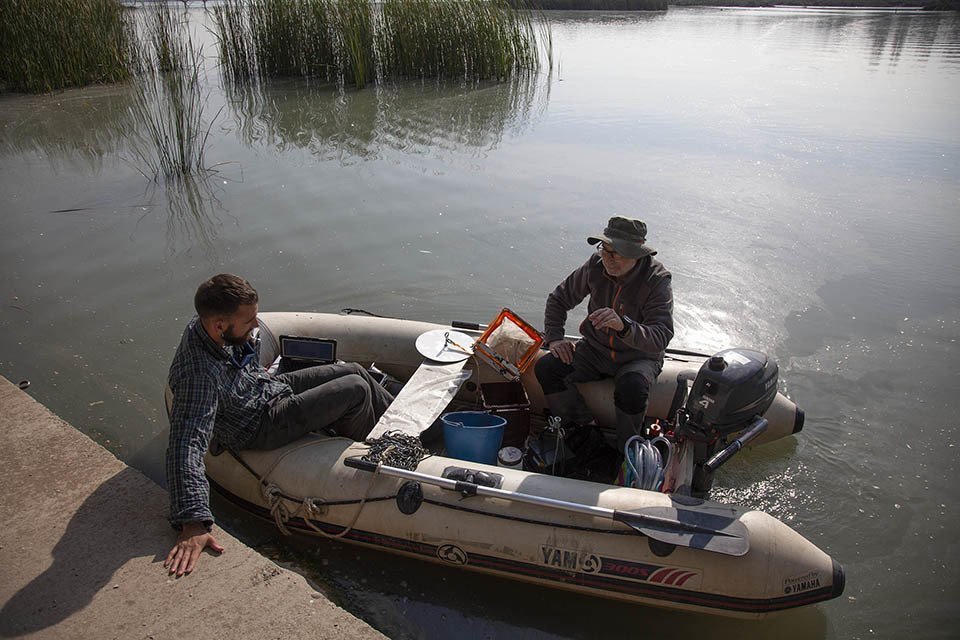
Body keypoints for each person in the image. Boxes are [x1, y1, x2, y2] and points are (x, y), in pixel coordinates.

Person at [164, 274, 393, 577]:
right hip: (259, 423)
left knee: (355, 372)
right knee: (353, 389)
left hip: (264, 388)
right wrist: (193, 520)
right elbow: (186, 444)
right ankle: (374, 449)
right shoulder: (198, 377)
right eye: (249, 321)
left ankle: (413, 433)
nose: (257, 326)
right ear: (220, 325)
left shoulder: (210, 328)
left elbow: (241, 358)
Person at [535, 216, 674, 454]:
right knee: (548, 367)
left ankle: (627, 452)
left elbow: (661, 336)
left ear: (637, 254)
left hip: (638, 357)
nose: (607, 258)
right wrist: (555, 338)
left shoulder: (656, 280)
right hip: (596, 350)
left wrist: (625, 326)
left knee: (632, 387)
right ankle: (583, 433)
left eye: (616, 253)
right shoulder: (595, 266)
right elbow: (558, 300)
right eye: (604, 249)